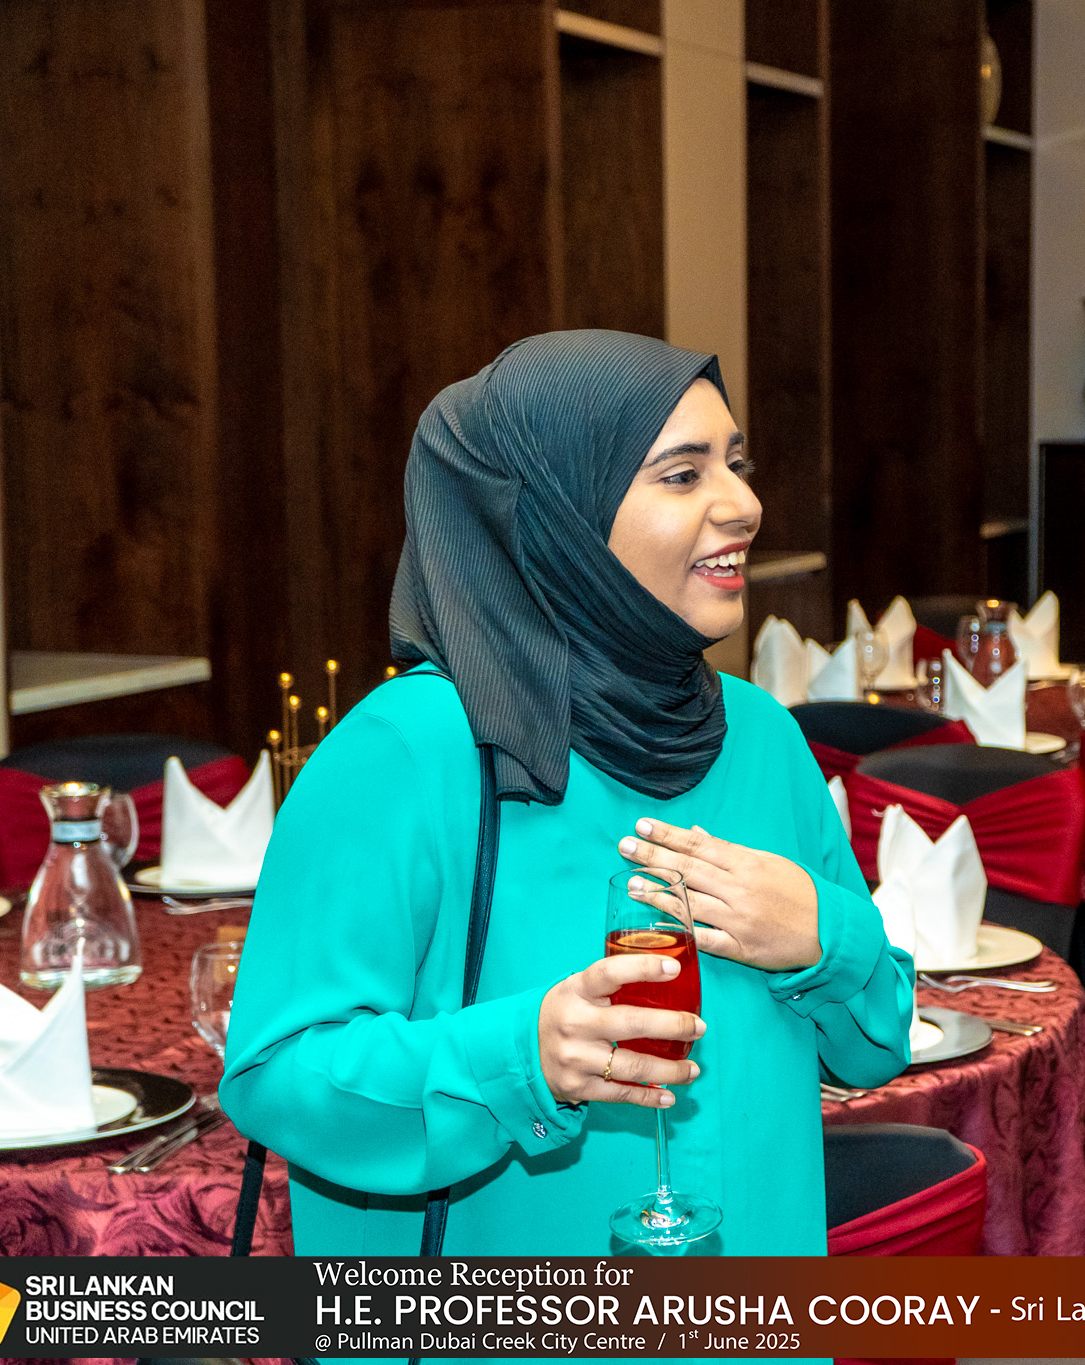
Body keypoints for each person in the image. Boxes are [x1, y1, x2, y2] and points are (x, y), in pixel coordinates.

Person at [221, 332, 913, 1271]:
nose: (744, 504)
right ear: (562, 516)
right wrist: (524, 1057)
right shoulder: (410, 748)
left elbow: (875, 1043)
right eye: (683, 475)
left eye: (737, 464)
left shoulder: (763, 737)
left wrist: (824, 935)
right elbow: (276, 1074)